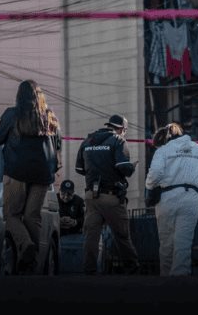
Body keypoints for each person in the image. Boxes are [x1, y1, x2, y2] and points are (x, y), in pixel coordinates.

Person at [0, 80, 61, 274]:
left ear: (19, 96)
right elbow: (58, 146)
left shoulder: (12, 115)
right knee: (32, 217)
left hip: (16, 172)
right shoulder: (49, 117)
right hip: (42, 175)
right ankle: (32, 261)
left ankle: (26, 244)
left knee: (11, 215)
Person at [146, 122, 198, 276]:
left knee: (166, 243)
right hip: (191, 197)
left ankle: (166, 278)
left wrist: (149, 186)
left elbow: (155, 173)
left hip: (167, 197)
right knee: (183, 242)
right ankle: (181, 278)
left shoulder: (163, 151)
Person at [75, 114, 140, 275]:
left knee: (91, 237)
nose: (124, 133)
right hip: (111, 197)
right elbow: (123, 167)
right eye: (125, 130)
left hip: (91, 197)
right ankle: (133, 270)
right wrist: (131, 167)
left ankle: (89, 271)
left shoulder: (87, 141)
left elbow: (80, 169)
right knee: (122, 236)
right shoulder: (118, 141)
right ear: (120, 129)